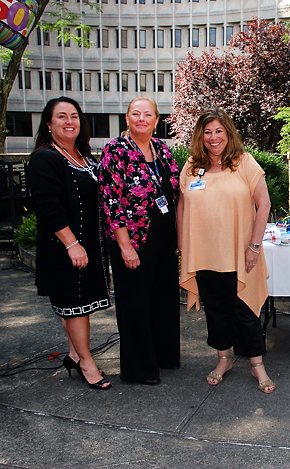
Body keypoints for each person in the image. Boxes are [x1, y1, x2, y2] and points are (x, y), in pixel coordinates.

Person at [177, 108, 275, 393]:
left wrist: (254, 247)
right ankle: (224, 360)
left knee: (244, 312)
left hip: (237, 253)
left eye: (219, 131)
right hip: (204, 255)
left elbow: (264, 204)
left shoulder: (244, 162)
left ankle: (257, 365)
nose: (213, 137)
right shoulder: (193, 165)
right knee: (216, 311)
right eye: (207, 132)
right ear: (200, 136)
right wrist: (182, 243)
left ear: (228, 133)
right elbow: (182, 205)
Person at [26, 97, 112, 390]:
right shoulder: (45, 158)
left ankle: (75, 354)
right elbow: (48, 207)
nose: (69, 121)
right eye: (61, 117)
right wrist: (72, 244)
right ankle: (87, 364)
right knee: (74, 305)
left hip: (88, 244)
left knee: (77, 306)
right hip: (66, 247)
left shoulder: (84, 157)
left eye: (74, 116)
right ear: (48, 124)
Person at [99, 97, 180, 385]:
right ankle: (139, 369)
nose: (142, 119)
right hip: (133, 241)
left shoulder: (162, 150)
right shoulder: (115, 151)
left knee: (163, 301)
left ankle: (164, 357)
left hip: (163, 239)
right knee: (135, 305)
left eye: (148, 115)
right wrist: (125, 247)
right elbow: (110, 202)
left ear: (157, 121)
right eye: (136, 114)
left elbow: (176, 192)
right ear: (127, 118)